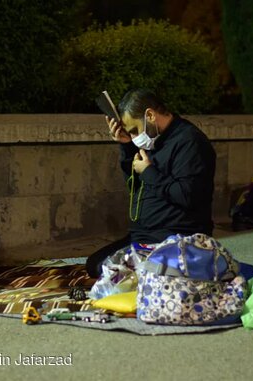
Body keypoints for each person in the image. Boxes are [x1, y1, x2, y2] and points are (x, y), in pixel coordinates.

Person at [86, 89, 216, 278]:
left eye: (135, 130)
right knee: (96, 265)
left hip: (176, 238)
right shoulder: (153, 142)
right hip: (143, 236)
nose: (136, 137)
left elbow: (188, 196)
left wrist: (149, 172)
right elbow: (136, 188)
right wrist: (126, 146)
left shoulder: (190, 142)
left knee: (109, 271)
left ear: (150, 115)